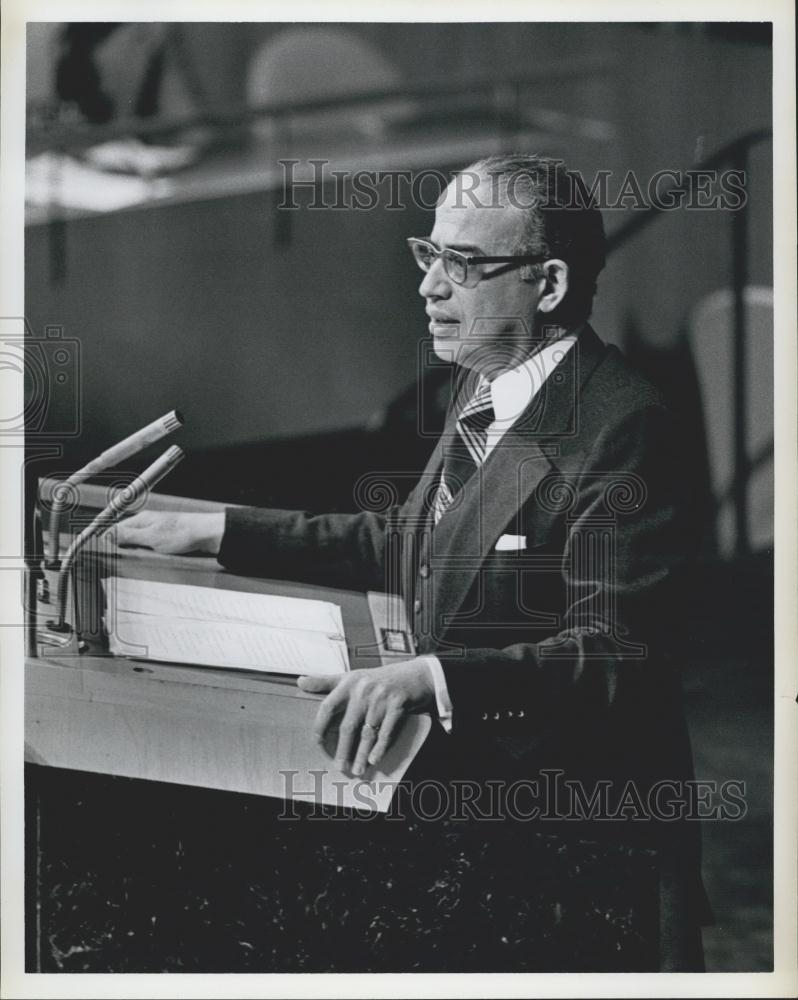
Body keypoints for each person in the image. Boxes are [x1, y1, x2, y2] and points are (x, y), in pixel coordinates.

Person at [114, 154, 707, 970]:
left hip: (573, 850)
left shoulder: (626, 428)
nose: (430, 287)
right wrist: (219, 530)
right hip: (478, 809)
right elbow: (412, 542)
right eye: (428, 256)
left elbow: (616, 659)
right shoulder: (492, 383)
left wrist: (429, 678)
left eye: (462, 265)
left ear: (551, 283)